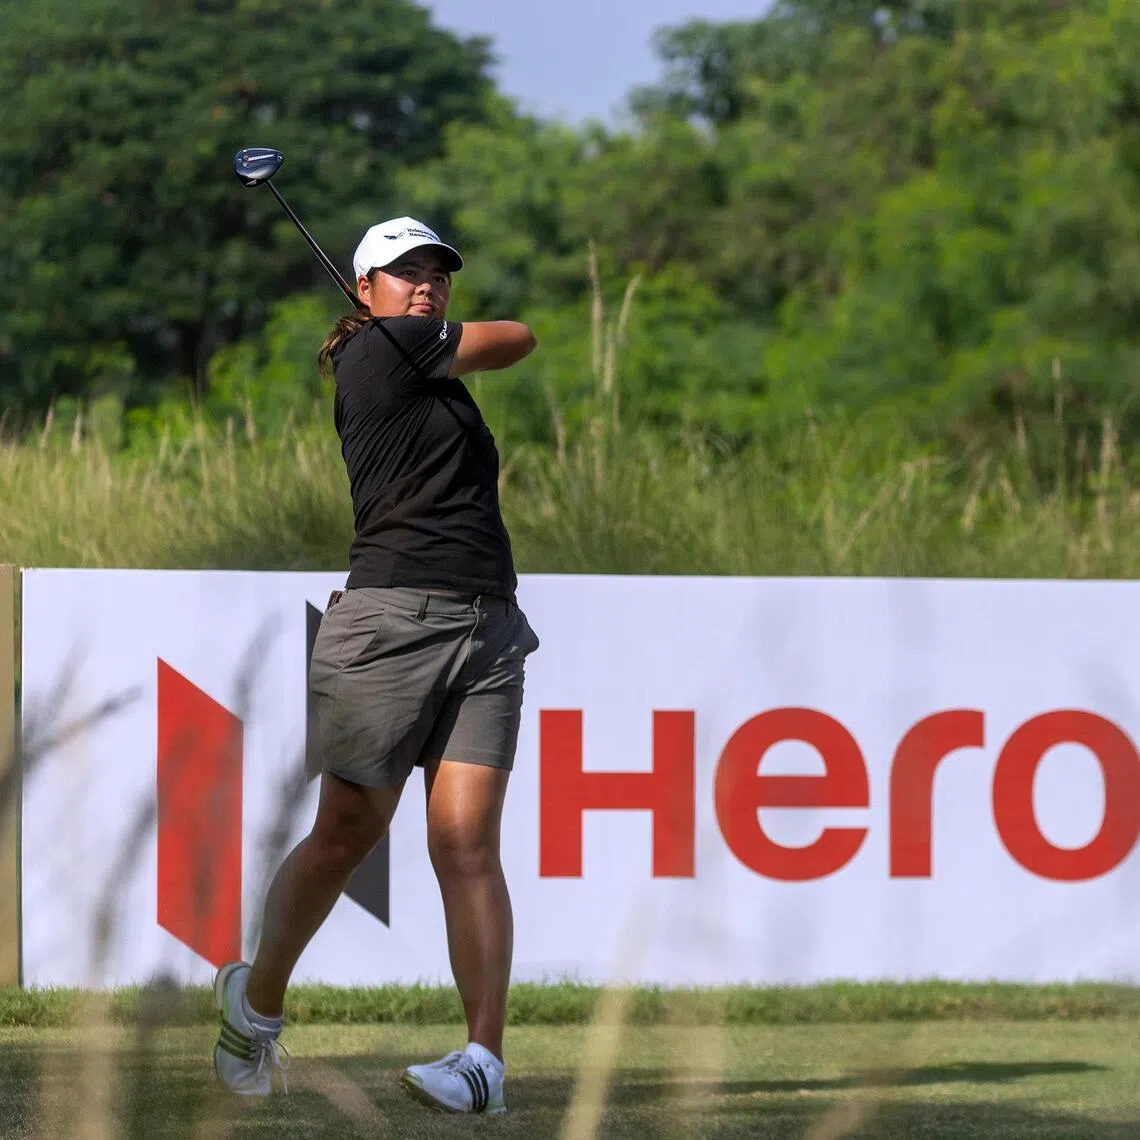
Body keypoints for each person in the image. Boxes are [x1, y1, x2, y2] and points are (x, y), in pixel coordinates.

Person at [211, 216, 539, 1115]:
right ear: (366, 291)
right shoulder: (377, 353)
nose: (426, 283)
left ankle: (483, 1062)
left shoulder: (427, 371)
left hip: (487, 626)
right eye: (404, 272)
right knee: (349, 833)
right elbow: (519, 337)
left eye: (436, 271)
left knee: (468, 844)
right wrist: (422, 333)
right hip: (392, 622)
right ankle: (258, 1004)